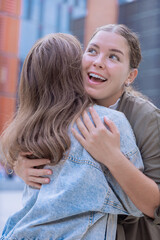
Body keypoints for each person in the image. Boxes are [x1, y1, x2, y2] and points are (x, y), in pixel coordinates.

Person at [14, 24, 160, 240]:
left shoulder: (146, 118)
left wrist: (112, 158)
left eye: (113, 57)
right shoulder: (65, 107)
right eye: (92, 51)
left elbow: (155, 207)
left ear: (130, 76)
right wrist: (21, 166)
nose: (98, 62)